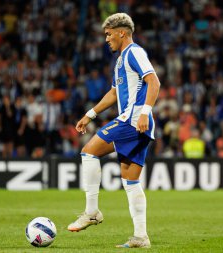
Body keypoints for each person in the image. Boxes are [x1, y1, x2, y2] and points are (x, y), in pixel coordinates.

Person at [67, 13, 160, 249]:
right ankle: (141, 237)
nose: (106, 39)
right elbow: (113, 94)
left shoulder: (134, 52)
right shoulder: (120, 61)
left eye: (109, 34)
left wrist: (144, 112)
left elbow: (154, 81)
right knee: (130, 180)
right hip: (138, 122)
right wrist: (90, 115)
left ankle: (91, 211)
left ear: (122, 32)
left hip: (133, 120)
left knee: (89, 152)